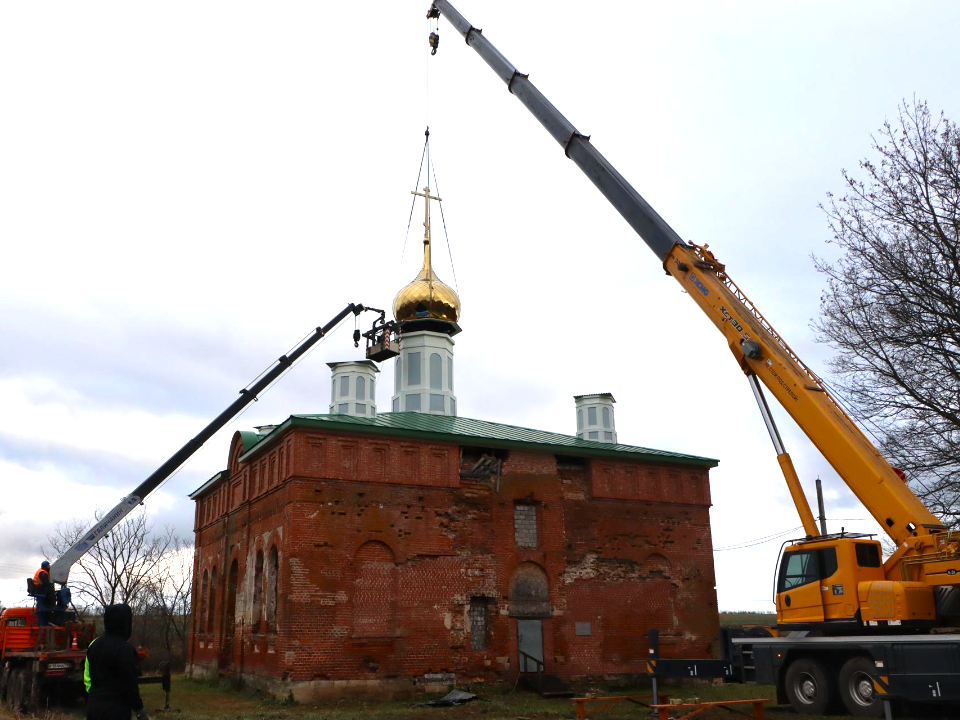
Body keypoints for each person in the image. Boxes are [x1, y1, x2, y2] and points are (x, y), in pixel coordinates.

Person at [84, 604, 147, 720]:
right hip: (116, 709)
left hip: (93, 706)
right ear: (125, 623)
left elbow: (87, 676)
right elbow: (130, 683)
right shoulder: (125, 649)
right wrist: (139, 710)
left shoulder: (94, 645)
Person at [32, 561, 55, 626]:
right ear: (46, 566)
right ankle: (52, 606)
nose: (49, 567)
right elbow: (46, 583)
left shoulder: (41, 571)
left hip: (39, 589)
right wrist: (51, 585)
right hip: (40, 589)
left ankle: (51, 607)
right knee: (51, 592)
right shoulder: (43, 573)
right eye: (48, 566)